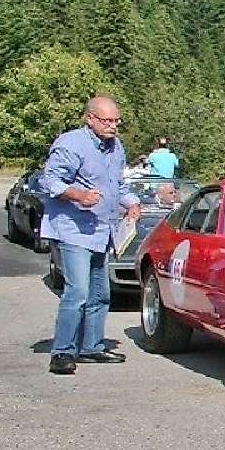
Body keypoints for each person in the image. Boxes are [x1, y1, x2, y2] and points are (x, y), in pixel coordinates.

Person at [39, 94, 140, 374]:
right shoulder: (71, 144)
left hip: (102, 230)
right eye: (107, 120)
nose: (113, 126)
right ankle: (62, 351)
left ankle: (91, 347)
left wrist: (132, 203)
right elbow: (49, 180)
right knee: (78, 291)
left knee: (100, 293)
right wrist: (78, 195)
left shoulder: (115, 147)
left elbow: (118, 185)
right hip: (74, 229)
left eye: (116, 120)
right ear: (90, 118)